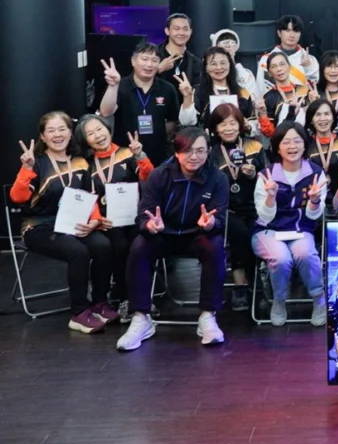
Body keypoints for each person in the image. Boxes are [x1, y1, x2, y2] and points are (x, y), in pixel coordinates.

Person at [116, 127, 229, 351]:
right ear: (177, 151)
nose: (194, 156)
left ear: (208, 151)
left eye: (200, 150)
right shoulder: (160, 175)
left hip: (197, 235)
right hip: (163, 234)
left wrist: (211, 223)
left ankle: (208, 316)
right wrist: (150, 225)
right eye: (188, 150)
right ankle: (141, 317)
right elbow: (144, 214)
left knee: (215, 246)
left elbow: (221, 218)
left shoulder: (217, 178)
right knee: (139, 247)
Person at [10, 112, 115, 333]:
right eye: (51, 130)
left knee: (103, 245)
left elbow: (89, 196)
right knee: (78, 252)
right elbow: (17, 198)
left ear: (70, 132)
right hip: (39, 226)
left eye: (62, 129)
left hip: (73, 223)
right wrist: (26, 169)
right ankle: (79, 313)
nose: (57, 135)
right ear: (43, 136)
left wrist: (95, 221)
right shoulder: (36, 162)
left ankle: (99, 302)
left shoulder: (80, 161)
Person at [76, 114, 154, 320]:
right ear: (85, 140)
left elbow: (149, 178)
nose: (98, 135)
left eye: (99, 129)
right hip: (107, 222)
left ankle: (143, 297)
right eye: (90, 133)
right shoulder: (86, 164)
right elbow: (87, 196)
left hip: (135, 217)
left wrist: (140, 155)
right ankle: (125, 297)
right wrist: (97, 219)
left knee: (142, 243)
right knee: (119, 246)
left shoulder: (127, 153)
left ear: (108, 128)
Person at [253, 121, 328, 327]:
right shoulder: (266, 175)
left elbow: (313, 216)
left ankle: (319, 299)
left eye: (297, 141)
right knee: (281, 258)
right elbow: (265, 216)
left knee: (306, 254)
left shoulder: (315, 174)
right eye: (286, 142)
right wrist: (271, 196)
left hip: (300, 230)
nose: (292, 146)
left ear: (305, 145)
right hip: (267, 231)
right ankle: (279, 300)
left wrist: (314, 200)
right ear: (277, 147)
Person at [206, 103, 268, 312]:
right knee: (239, 232)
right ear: (215, 128)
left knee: (253, 232)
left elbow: (268, 176)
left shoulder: (255, 146)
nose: (228, 128)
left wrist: (255, 174)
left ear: (240, 124)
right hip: (226, 209)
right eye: (223, 124)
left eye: (232, 123)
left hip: (255, 207)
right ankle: (252, 285)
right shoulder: (211, 152)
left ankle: (244, 286)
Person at [98, 43, 180, 165]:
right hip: (124, 153)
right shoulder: (120, 85)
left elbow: (172, 120)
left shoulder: (167, 89)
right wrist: (113, 86)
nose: (149, 64)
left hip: (158, 154)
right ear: (133, 61)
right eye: (144, 59)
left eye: (154, 60)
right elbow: (105, 112)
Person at [179, 47, 255, 128]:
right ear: (206, 68)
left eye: (223, 63)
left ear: (230, 65)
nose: (219, 67)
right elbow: (186, 122)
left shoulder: (243, 92)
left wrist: (248, 125)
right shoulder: (197, 92)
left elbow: (253, 121)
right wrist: (187, 97)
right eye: (213, 64)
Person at [255, 14, 319, 94]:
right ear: (279, 33)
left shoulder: (310, 60)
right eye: (288, 30)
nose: (292, 35)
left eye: (296, 31)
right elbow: (260, 90)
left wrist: (308, 66)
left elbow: (314, 86)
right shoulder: (266, 59)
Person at [305, 99, 338, 200]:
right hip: (312, 200)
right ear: (311, 120)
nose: (323, 119)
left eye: (327, 114)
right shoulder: (305, 146)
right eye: (318, 115)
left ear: (333, 118)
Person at [258, 52, 310, 136]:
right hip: (282, 141)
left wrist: (314, 103)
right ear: (269, 73)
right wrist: (263, 114)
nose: (279, 69)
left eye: (282, 64)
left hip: (306, 140)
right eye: (274, 66)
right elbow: (269, 133)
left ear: (289, 67)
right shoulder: (269, 97)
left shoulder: (304, 90)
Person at [156, 13, 202, 96]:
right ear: (167, 31)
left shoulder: (196, 63)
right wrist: (158, 69)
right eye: (176, 29)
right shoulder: (154, 56)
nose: (181, 33)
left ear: (190, 32)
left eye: (185, 29)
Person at [210, 28, 258, 98]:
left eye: (231, 42)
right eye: (223, 43)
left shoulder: (246, 74)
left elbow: (252, 97)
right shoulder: (210, 72)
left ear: (236, 46)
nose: (227, 46)